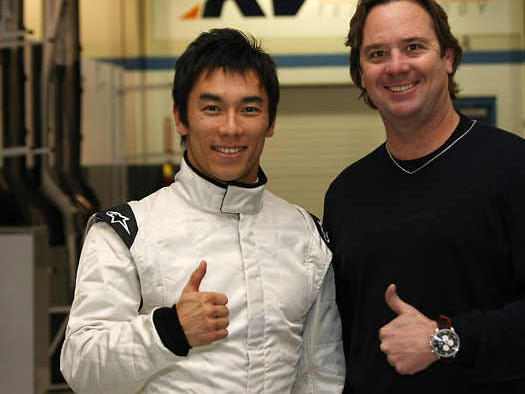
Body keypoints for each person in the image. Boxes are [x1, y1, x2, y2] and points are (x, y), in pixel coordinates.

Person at [323, 0, 525, 393]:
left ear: (448, 57)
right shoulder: (345, 193)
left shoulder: (515, 168)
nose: (396, 66)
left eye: (413, 47)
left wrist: (444, 339)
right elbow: (345, 336)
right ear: (361, 74)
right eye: (377, 53)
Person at [61, 28, 345, 393]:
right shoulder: (127, 232)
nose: (231, 128)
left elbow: (320, 376)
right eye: (212, 108)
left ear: (271, 122)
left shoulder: (306, 235)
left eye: (249, 109)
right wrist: (169, 331)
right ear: (180, 118)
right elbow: (81, 367)